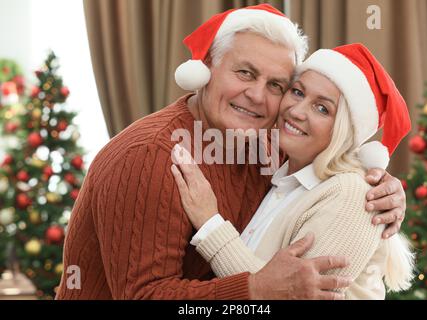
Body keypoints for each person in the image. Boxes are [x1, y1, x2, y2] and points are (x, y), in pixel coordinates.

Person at [56, 4, 407, 300]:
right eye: (245, 73)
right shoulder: (150, 156)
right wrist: (254, 289)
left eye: (276, 85)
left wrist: (383, 188)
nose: (256, 95)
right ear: (207, 68)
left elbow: (336, 177)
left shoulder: (270, 148)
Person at [171, 43, 415, 299]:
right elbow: (274, 284)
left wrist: (210, 223)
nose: (296, 111)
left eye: (322, 108)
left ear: (343, 130)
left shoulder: (351, 195)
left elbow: (284, 294)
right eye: (297, 92)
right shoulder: (281, 174)